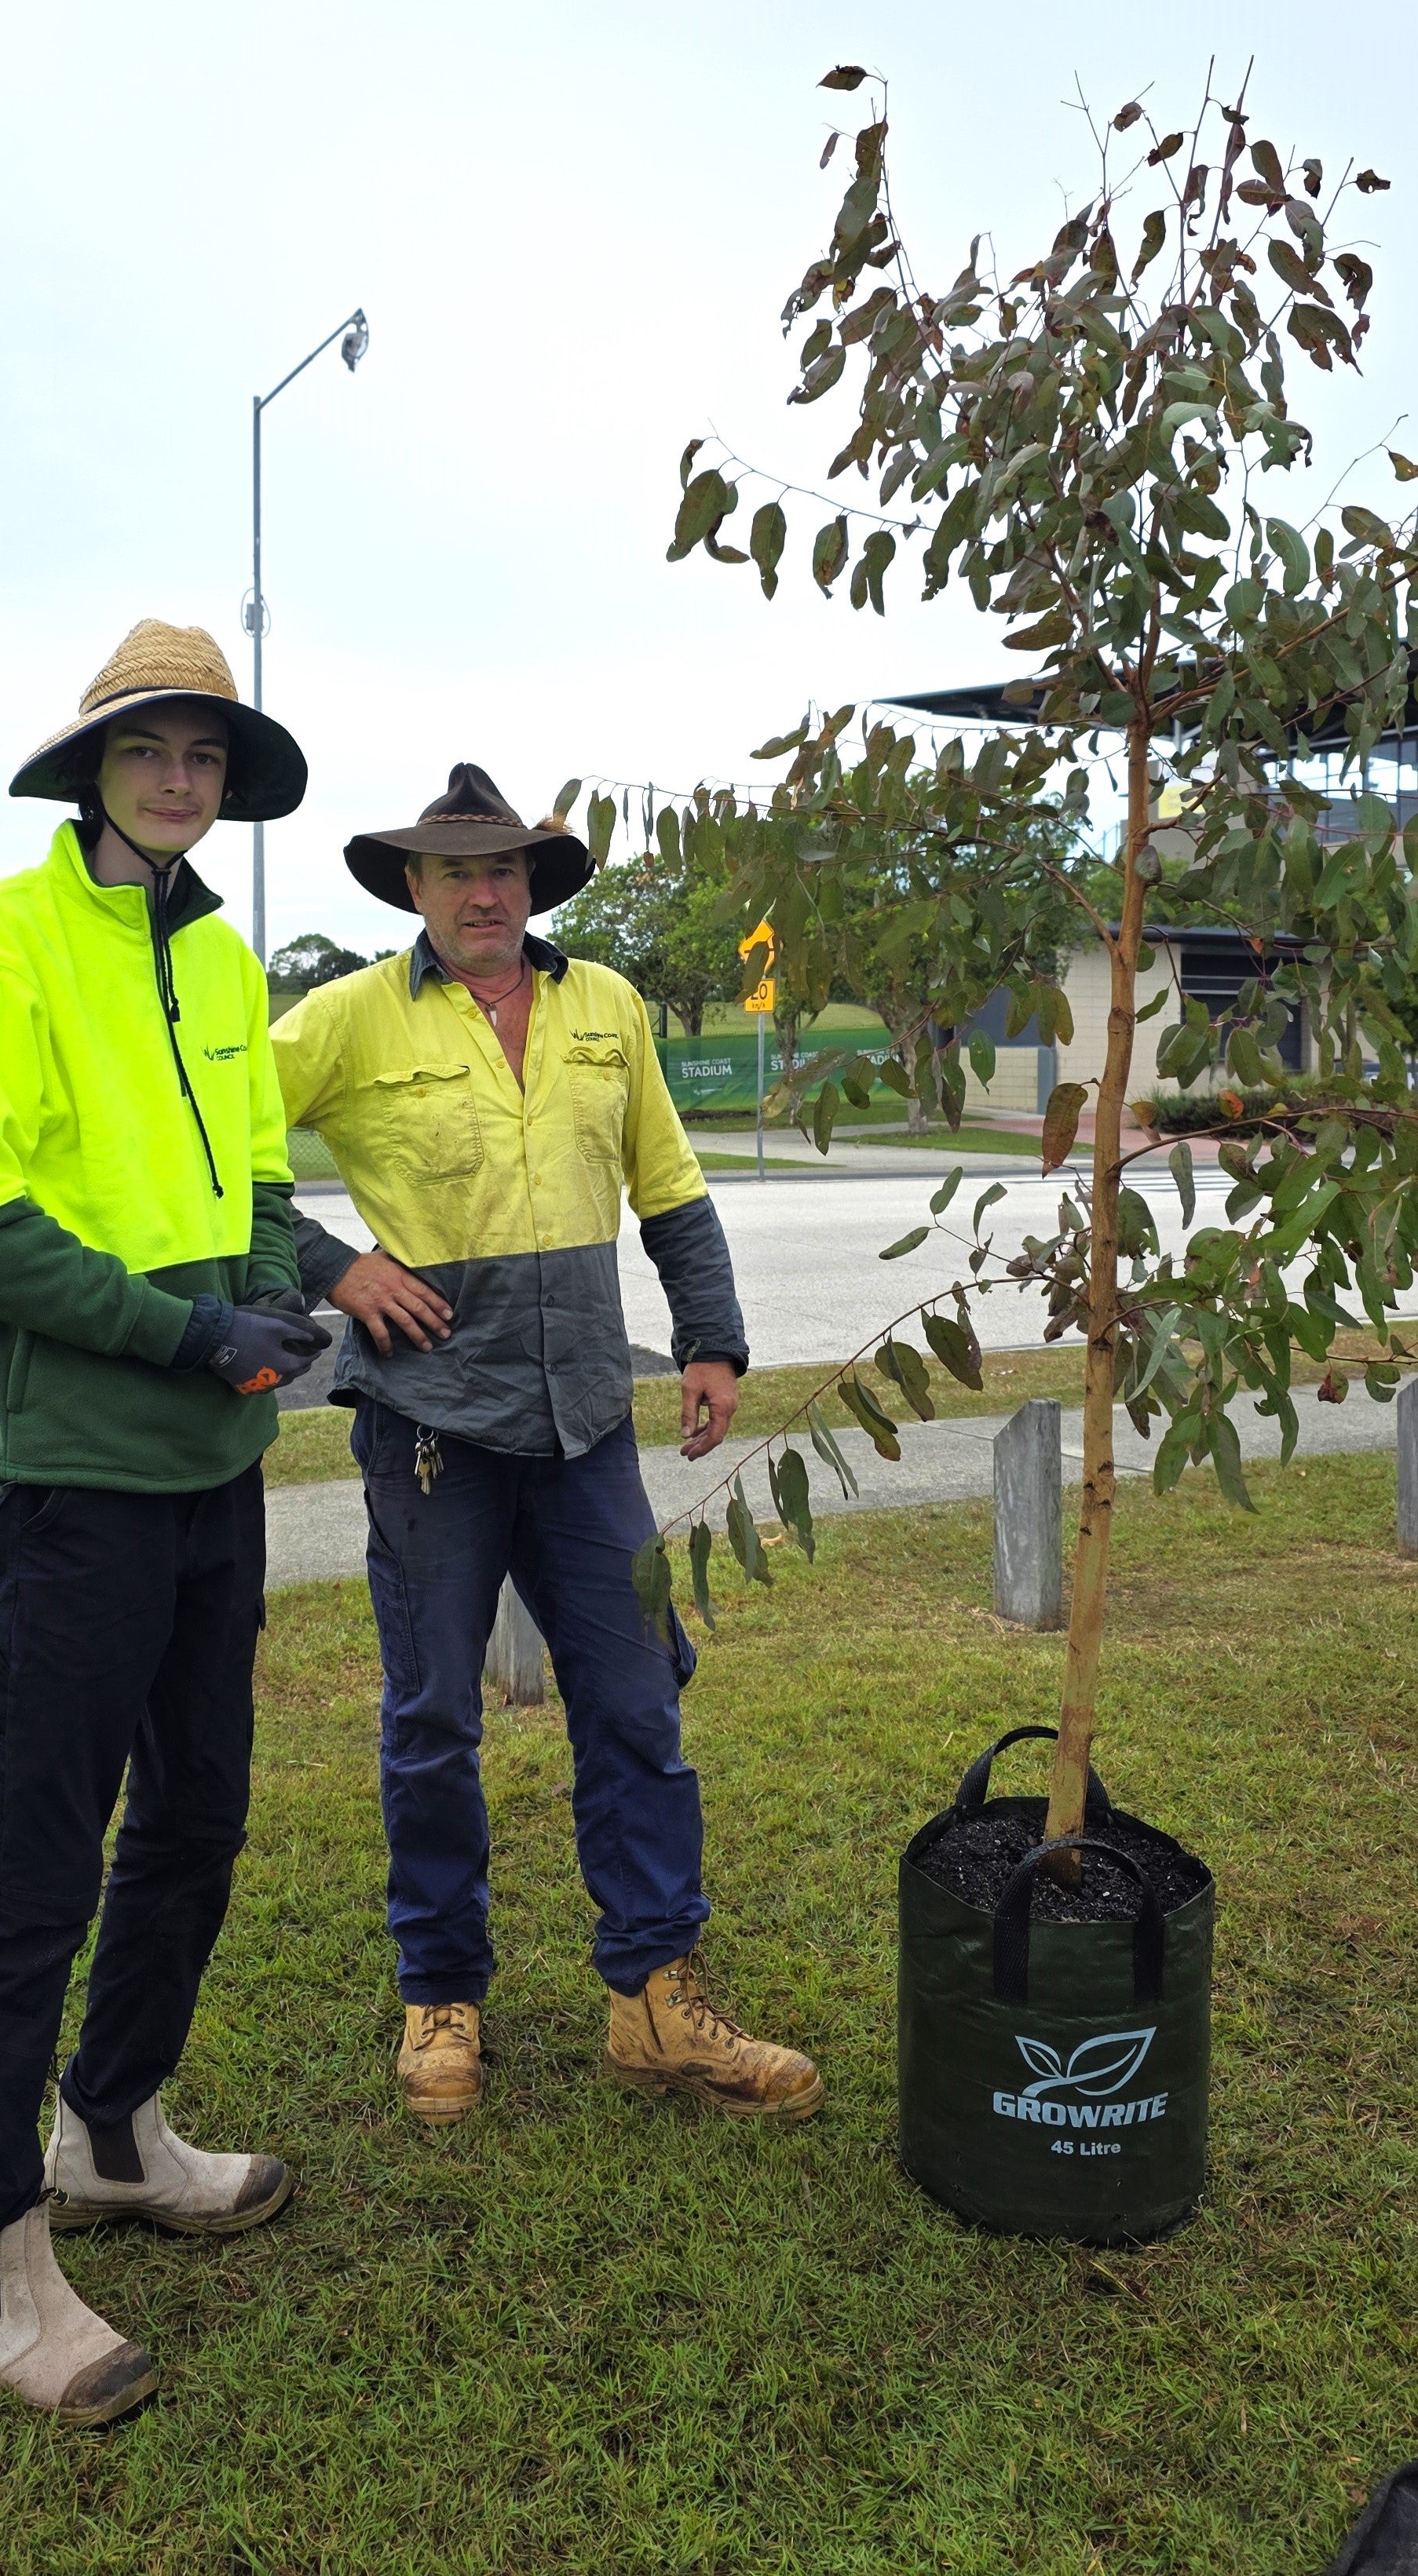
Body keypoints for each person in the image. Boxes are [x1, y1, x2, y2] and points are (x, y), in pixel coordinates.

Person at [0, 620, 331, 2425]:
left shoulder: (226, 963)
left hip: (216, 1478)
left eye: (207, 756)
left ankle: (111, 2128)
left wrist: (270, 1292)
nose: (180, 778)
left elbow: (257, 1170)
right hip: (80, 1476)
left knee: (204, 1815)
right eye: (152, 747)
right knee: (37, 1867)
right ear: (94, 765)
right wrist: (180, 1329)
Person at [272, 762, 822, 2127]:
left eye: (507, 867)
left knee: (637, 1702)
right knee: (434, 1718)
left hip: (586, 1424)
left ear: (536, 884)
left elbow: (674, 1188)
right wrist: (335, 1266)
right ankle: (441, 1992)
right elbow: (209, 1152)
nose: (484, 889)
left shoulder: (605, 1009)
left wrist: (713, 1338)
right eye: (456, 869)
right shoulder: (342, 1020)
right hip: (431, 1428)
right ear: (413, 886)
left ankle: (654, 1996)